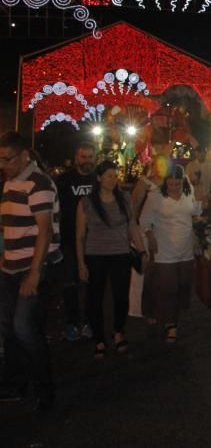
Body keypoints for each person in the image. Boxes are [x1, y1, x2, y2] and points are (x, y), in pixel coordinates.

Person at [0, 131, 62, 411]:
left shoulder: (39, 183)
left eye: (8, 159)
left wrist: (34, 274)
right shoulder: (10, 182)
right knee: (9, 330)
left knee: (24, 329)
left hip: (32, 266)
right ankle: (16, 383)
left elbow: (45, 231)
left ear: (24, 155)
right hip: (9, 266)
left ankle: (44, 390)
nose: (3, 164)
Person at [76, 161, 143, 357]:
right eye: (108, 176)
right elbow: (79, 235)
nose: (113, 180)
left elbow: (132, 226)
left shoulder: (124, 198)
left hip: (120, 254)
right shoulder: (87, 202)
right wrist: (81, 263)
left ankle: (118, 332)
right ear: (98, 178)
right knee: (94, 298)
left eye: (115, 176)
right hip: (95, 254)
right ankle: (98, 338)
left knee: (121, 296)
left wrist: (142, 250)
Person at [140, 165, 202, 342]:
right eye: (171, 184)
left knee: (183, 284)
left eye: (178, 183)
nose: (174, 187)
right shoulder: (155, 197)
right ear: (165, 182)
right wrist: (150, 235)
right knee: (169, 287)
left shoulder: (188, 193)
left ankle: (168, 314)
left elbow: (194, 212)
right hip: (164, 249)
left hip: (185, 247)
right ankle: (170, 324)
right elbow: (144, 219)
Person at [55, 141, 97, 341]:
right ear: (76, 157)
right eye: (83, 157)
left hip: (95, 239)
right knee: (70, 282)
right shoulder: (63, 181)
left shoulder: (99, 179)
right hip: (70, 239)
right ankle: (72, 322)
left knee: (92, 283)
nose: (87, 161)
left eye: (90, 157)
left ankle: (89, 321)